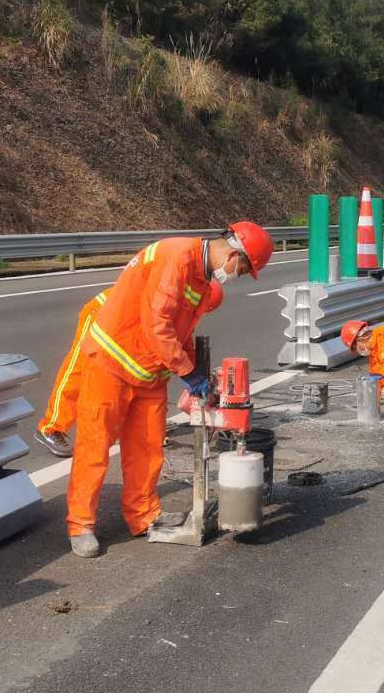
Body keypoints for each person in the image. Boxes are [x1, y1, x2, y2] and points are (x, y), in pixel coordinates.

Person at [64, 222, 274, 558]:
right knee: (95, 446)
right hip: (111, 363)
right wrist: (189, 374)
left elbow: (181, 330)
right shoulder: (177, 256)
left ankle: (142, 516)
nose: (237, 275)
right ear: (235, 253)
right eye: (244, 268)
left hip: (150, 370)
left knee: (147, 447)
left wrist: (195, 371)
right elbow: (157, 325)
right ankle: (81, 525)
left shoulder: (201, 280)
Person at [34, 290, 109, 457]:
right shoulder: (171, 267)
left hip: (131, 318)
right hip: (104, 312)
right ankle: (51, 427)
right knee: (79, 366)